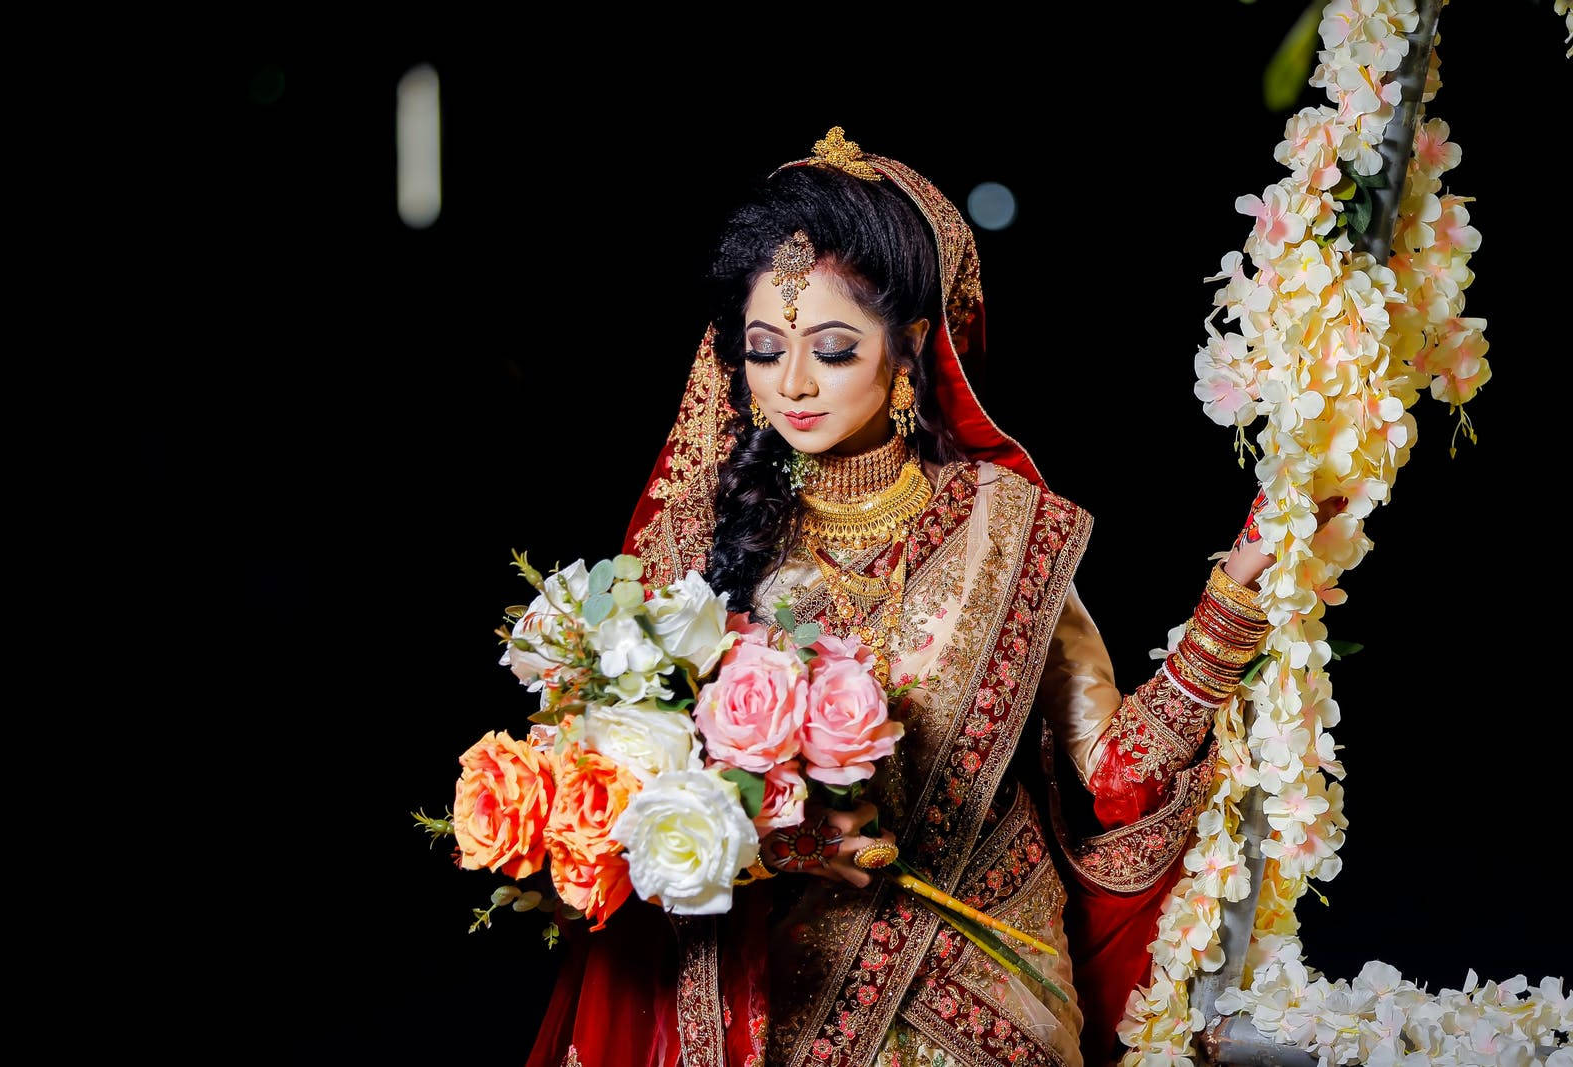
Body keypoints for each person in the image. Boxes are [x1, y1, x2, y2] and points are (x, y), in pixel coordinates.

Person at [525, 127, 1343, 1067]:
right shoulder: (700, 542)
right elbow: (634, 791)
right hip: (772, 988)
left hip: (986, 971)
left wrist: (1234, 596)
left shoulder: (1008, 527)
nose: (791, 384)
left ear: (910, 347)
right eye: (762, 349)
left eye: (832, 349)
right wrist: (785, 848)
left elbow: (1117, 771)